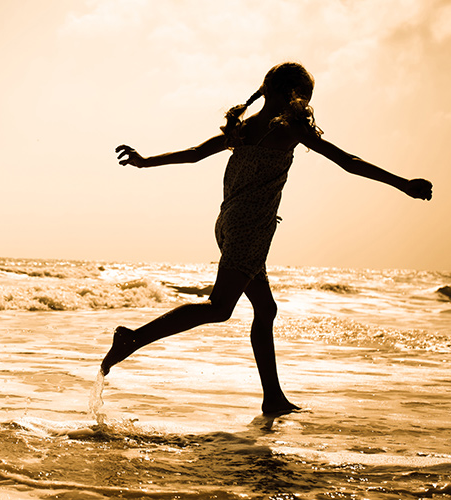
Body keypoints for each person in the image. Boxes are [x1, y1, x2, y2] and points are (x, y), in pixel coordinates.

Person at [100, 62, 432, 415]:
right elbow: (347, 161)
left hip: (228, 223)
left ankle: (272, 398)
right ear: (287, 94)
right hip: (250, 229)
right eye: (302, 96)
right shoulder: (288, 129)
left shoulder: (243, 129)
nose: (303, 103)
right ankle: (132, 338)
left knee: (265, 308)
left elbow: (196, 154)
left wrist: (145, 161)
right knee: (219, 307)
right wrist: (402, 184)